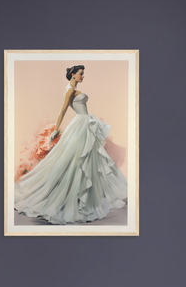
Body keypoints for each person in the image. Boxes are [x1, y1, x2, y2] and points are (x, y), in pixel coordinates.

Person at [14, 64, 128, 225]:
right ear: (73, 74)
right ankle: (71, 197)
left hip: (84, 123)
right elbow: (62, 110)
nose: (83, 76)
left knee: (89, 158)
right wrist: (55, 130)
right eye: (81, 74)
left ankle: (86, 196)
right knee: (77, 159)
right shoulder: (70, 90)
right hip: (80, 125)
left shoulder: (73, 89)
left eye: (83, 74)